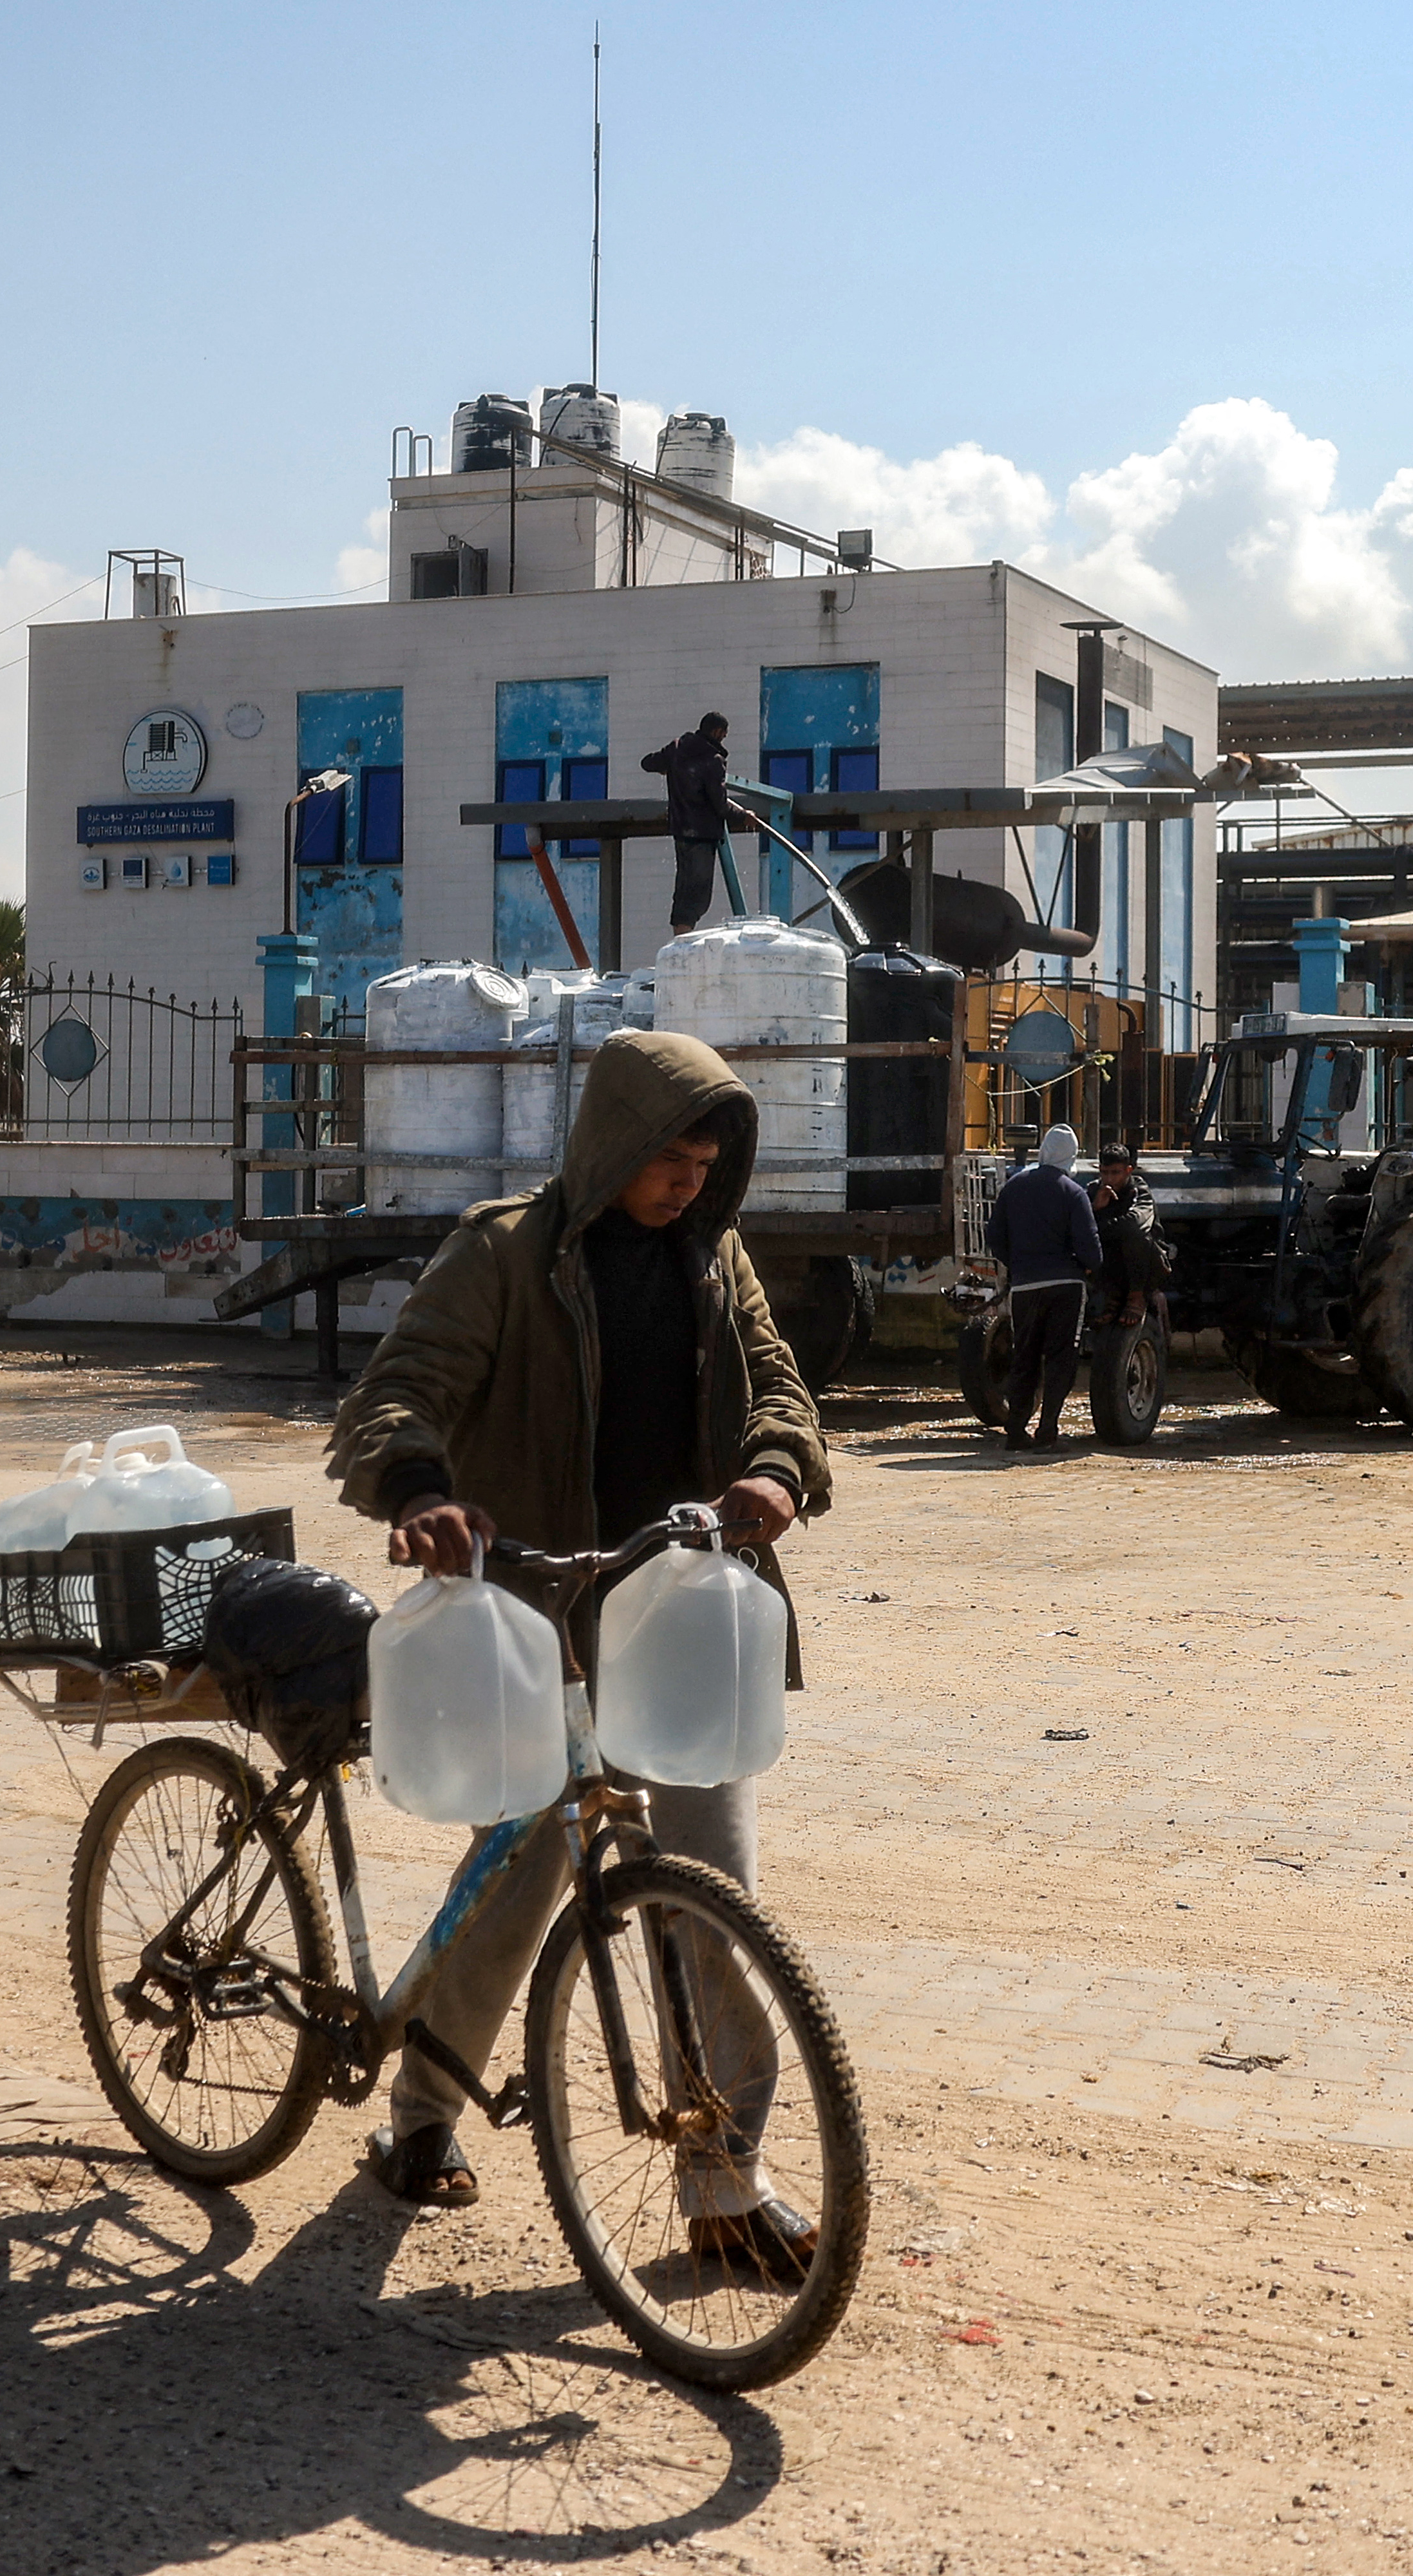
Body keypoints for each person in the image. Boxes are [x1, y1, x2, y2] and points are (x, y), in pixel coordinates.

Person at [326, 1026, 831, 2269]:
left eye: (709, 1162)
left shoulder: (718, 1264)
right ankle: (421, 2120)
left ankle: (723, 2183)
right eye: (670, 1158)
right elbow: (401, 1388)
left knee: (710, 1899)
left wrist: (774, 1470)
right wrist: (419, 1489)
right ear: (613, 1147)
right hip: (541, 1623)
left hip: (680, 1614)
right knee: (516, 1885)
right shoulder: (504, 1254)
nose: (689, 1182)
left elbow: (781, 1390)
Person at [989, 1122, 1102, 1452]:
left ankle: (1016, 1429)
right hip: (1066, 1286)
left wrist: (1019, 1266)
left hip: (1025, 1287)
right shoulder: (1074, 1192)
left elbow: (995, 1237)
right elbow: (1092, 1250)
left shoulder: (1014, 1187)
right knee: (1060, 1357)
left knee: (1024, 1356)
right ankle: (1048, 1429)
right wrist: (1085, 1268)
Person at [639, 712, 735, 933]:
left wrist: (668, 768)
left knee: (684, 892)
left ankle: (679, 941)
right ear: (717, 732)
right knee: (697, 897)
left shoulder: (677, 748)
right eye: (724, 734)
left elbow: (647, 763)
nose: (724, 738)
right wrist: (744, 816)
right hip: (703, 834)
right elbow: (720, 805)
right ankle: (683, 947)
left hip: (680, 831)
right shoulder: (714, 761)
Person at [1087, 1139, 1171, 1334]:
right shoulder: (1094, 1190)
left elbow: (1135, 1225)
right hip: (1112, 1265)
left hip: (1146, 1265)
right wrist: (1095, 1209)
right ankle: (1112, 1297)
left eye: (1115, 1173)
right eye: (1105, 1173)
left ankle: (1136, 1296)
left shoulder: (1139, 1191)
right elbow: (1079, 1226)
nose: (1109, 1179)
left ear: (1128, 1171)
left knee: (1136, 1237)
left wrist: (1100, 1226)